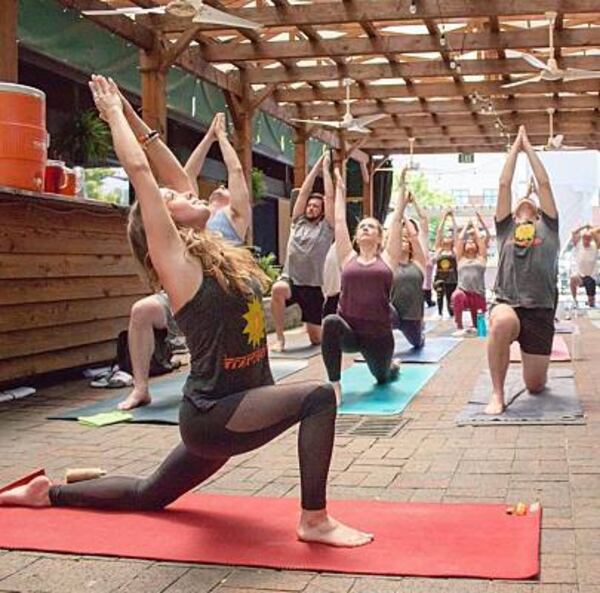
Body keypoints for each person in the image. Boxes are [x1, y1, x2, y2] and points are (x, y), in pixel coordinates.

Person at [0, 75, 373, 549]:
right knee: (319, 395)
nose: (189, 193)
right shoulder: (175, 263)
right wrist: (112, 112)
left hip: (235, 408)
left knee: (148, 493)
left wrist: (134, 117)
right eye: (175, 200)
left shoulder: (214, 244)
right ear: (159, 221)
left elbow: (170, 172)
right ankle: (314, 520)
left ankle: (46, 492)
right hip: (215, 415)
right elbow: (141, 173)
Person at [118, 110, 251, 410]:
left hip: (217, 298)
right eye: (187, 197)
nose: (201, 194)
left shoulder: (230, 222)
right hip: (189, 292)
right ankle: (140, 387)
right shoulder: (181, 235)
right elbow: (178, 176)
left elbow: (235, 174)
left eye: (223, 191)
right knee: (142, 309)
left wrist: (223, 140)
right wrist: (207, 138)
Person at [485, 125, 559, 415]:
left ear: (539, 212)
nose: (525, 202)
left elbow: (544, 184)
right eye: (520, 203)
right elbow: (504, 184)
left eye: (531, 203)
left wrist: (531, 148)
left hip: (540, 310)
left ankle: (532, 366)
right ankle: (497, 393)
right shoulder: (506, 229)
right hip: (508, 303)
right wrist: (515, 148)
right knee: (501, 323)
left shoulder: (548, 228)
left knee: (535, 385)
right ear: (514, 212)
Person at [321, 168, 403, 404]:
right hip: (350, 332)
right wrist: (341, 190)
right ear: (356, 237)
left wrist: (402, 191)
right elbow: (338, 220)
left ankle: (391, 366)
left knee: (383, 378)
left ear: (379, 237)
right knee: (330, 322)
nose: (366, 229)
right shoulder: (347, 257)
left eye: (372, 227)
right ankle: (335, 385)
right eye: (362, 227)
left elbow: (396, 221)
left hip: (378, 336)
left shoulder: (387, 259)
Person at [270, 153, 334, 351]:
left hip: (314, 287)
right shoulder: (297, 221)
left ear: (322, 211)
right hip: (292, 280)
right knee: (277, 289)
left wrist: (326, 169)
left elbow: (330, 198)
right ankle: (280, 338)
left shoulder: (326, 227)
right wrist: (315, 167)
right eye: (310, 205)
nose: (311, 208)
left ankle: (315, 326)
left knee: (317, 340)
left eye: (316, 206)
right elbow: (304, 191)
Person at [390, 174, 428, 348]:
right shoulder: (389, 261)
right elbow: (394, 228)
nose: (404, 239)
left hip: (412, 316)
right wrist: (401, 207)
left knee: (417, 344)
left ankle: (420, 330)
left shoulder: (418, 263)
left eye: (407, 239)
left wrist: (405, 215)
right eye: (401, 238)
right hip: (392, 313)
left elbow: (413, 236)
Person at [451, 216, 488, 337]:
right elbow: (460, 239)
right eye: (468, 243)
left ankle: (475, 326)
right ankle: (459, 326)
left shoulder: (481, 258)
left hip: (478, 293)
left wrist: (476, 226)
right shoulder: (460, 259)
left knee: (478, 327)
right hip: (464, 292)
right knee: (457, 296)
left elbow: (481, 241)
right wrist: (467, 225)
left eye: (473, 243)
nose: (470, 244)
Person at [410, 195, 435, 308]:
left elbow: (423, 218)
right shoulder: (400, 243)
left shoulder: (421, 238)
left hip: (424, 286)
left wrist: (414, 201)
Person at [433, 210, 458, 318]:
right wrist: (443, 218)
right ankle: (439, 314)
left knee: (450, 300)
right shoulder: (439, 249)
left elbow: (457, 233)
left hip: (452, 279)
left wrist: (453, 218)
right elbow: (439, 232)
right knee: (439, 297)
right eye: (445, 237)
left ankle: (452, 316)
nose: (447, 238)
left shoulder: (455, 250)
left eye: (449, 237)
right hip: (440, 278)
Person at [569, 223, 600, 308]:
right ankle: (574, 301)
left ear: (591, 239)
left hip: (591, 277)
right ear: (582, 239)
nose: (586, 241)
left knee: (591, 304)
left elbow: (597, 234)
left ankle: (591, 301)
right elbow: (573, 233)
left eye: (588, 239)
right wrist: (584, 226)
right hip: (580, 276)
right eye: (584, 239)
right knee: (572, 279)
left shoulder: (595, 246)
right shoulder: (578, 245)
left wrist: (591, 229)